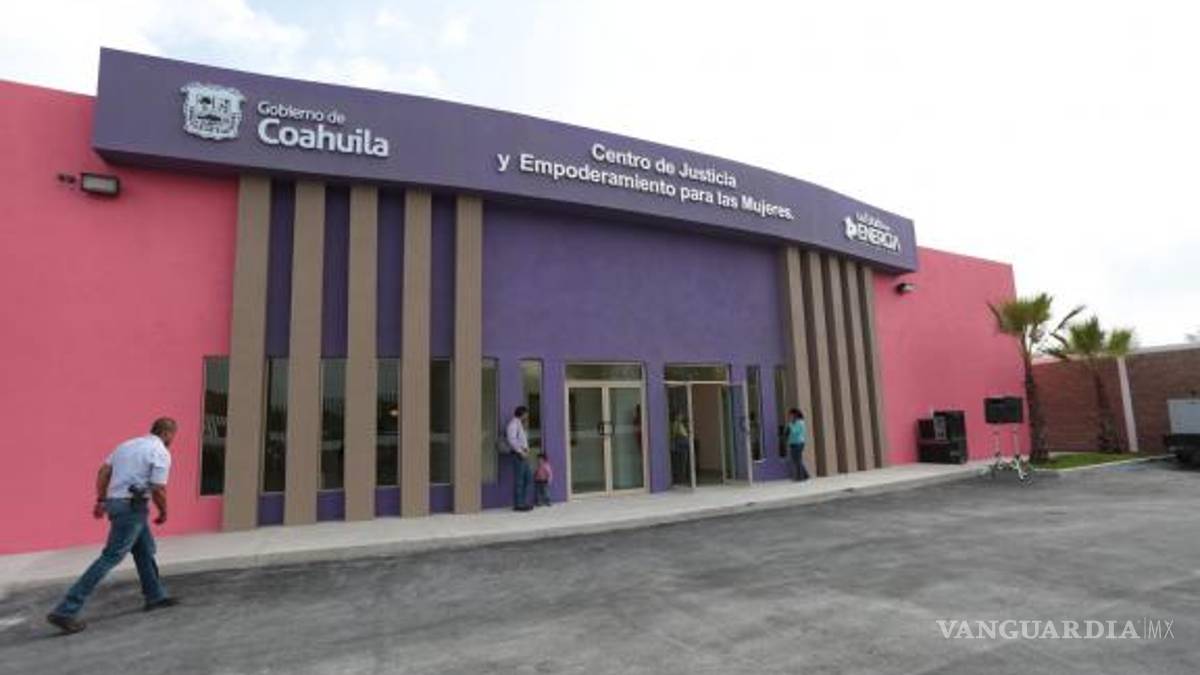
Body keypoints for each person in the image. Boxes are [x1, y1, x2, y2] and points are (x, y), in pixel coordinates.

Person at [47, 418, 180, 634]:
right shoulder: (160, 451)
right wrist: (164, 512)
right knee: (110, 557)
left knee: (145, 550)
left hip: (118, 504)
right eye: (173, 436)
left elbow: (103, 472)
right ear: (167, 433)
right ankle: (66, 610)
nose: (172, 440)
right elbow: (158, 489)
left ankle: (155, 596)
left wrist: (101, 500)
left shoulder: (126, 445)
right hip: (132, 508)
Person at [506, 406, 533, 511]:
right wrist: (521, 452)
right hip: (519, 455)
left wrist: (526, 451)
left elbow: (522, 439)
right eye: (526, 413)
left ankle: (523, 502)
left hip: (524, 454)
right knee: (519, 481)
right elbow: (512, 440)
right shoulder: (513, 424)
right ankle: (519, 505)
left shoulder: (520, 424)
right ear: (522, 413)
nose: (527, 415)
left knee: (528, 478)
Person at [786, 408, 809, 482]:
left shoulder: (800, 423)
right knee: (796, 460)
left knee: (798, 460)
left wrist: (790, 425)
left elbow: (796, 432)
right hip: (792, 443)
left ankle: (800, 477)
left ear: (795, 415)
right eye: (789, 415)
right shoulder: (792, 423)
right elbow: (788, 433)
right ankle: (805, 475)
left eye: (791, 415)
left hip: (799, 443)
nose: (790, 416)